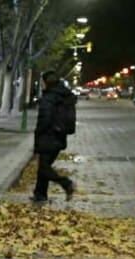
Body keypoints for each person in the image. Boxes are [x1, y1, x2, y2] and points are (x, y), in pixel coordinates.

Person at [32, 71, 76, 203]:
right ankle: (40, 195)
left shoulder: (49, 98)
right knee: (43, 167)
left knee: (44, 168)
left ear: (46, 82)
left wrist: (38, 134)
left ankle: (66, 184)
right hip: (59, 136)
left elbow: (44, 119)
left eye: (42, 82)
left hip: (48, 137)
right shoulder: (64, 96)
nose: (41, 85)